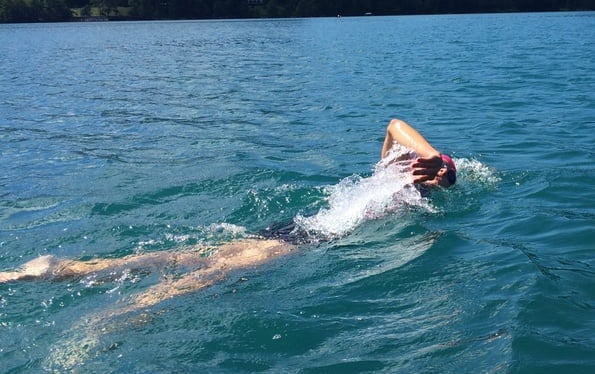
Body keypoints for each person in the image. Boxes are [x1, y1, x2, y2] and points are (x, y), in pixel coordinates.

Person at [0, 119, 455, 312]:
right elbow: (395, 124)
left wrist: (437, 173)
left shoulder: (390, 176)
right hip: (305, 240)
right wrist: (437, 159)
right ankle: (113, 318)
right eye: (432, 168)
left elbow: (397, 133)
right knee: (209, 274)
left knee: (179, 258)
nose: (429, 172)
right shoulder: (404, 185)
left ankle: (54, 270)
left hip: (294, 227)